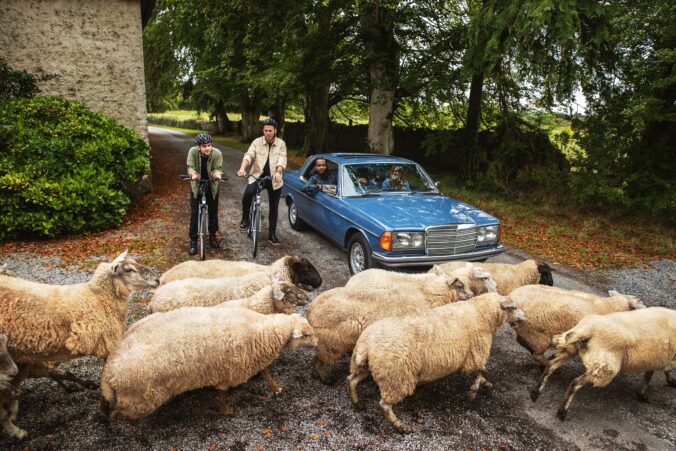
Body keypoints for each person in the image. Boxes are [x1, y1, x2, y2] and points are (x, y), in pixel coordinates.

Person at [236, 118, 287, 244]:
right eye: (265, 130)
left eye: (270, 130)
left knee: (274, 207)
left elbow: (282, 159)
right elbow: (249, 155)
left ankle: (272, 234)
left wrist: (278, 172)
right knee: (247, 195)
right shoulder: (257, 142)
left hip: (274, 179)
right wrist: (242, 168)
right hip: (257, 176)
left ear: (275, 131)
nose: (268, 133)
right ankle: (245, 219)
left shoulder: (281, 144)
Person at [187, 133, 223, 255]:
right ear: (198, 147)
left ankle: (212, 236)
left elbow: (218, 167)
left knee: (213, 211)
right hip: (196, 185)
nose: (207, 148)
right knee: (194, 213)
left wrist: (216, 174)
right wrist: (192, 173)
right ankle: (193, 241)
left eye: (209, 145)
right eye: (204, 146)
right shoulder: (192, 152)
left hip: (212, 185)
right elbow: (190, 166)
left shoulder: (217, 153)